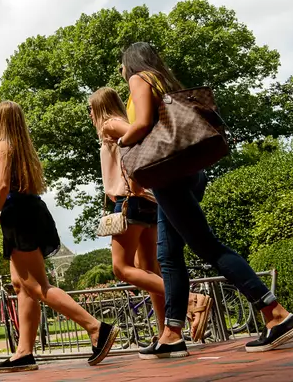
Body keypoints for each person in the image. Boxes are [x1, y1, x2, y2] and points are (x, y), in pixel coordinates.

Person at [116, 42, 293, 359]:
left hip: (168, 176)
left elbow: (143, 122)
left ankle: (275, 313)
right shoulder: (164, 79)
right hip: (184, 173)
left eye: (121, 65)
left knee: (207, 246)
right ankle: (172, 333)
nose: (121, 71)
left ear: (130, 62)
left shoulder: (139, 78)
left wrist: (120, 139)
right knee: (169, 255)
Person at [0, 101, 119, 373]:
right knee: (21, 286)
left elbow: (1, 185)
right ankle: (24, 352)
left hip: (17, 216)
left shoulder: (1, 146)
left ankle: (96, 328)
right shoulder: (20, 148)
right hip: (32, 211)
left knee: (34, 286)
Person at [89, 87, 212, 338]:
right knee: (148, 269)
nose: (89, 114)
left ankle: (191, 300)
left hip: (130, 200)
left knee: (122, 268)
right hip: (146, 200)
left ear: (99, 107)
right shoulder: (119, 124)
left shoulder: (111, 124)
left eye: (89, 109)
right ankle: (167, 330)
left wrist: (133, 181)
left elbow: (140, 140)